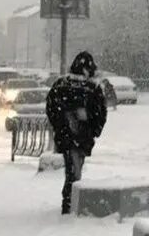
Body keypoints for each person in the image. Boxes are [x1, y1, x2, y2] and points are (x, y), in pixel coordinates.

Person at [46, 51, 108, 215]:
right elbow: (100, 113)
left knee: (72, 168)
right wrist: (93, 131)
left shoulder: (61, 85)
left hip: (66, 136)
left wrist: (60, 126)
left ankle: (69, 201)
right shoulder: (92, 88)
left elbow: (51, 108)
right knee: (74, 170)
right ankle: (69, 203)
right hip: (82, 137)